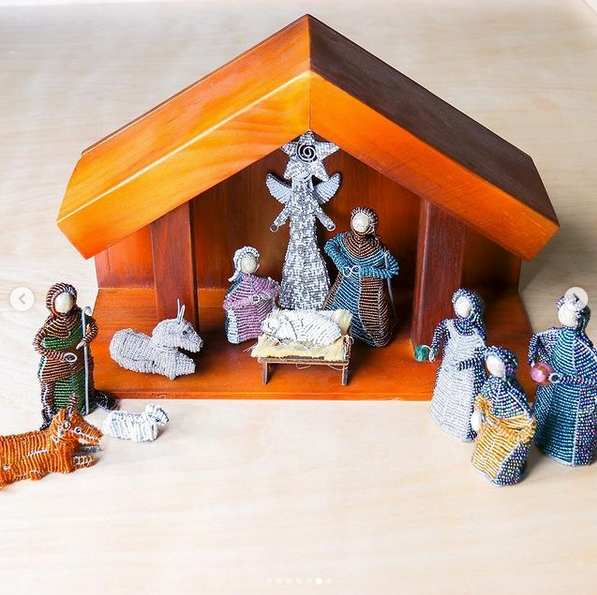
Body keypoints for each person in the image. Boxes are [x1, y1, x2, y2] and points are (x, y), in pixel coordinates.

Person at [528, 293, 597, 466]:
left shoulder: (584, 351)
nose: (564, 314)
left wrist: (564, 379)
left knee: (566, 426)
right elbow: (536, 340)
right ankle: (541, 438)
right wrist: (533, 361)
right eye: (563, 310)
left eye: (569, 313)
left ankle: (565, 453)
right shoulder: (554, 335)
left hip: (572, 399)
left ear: (579, 320)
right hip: (550, 389)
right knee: (545, 414)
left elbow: (592, 381)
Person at [33, 282, 114, 429]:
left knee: (86, 376)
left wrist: (87, 338)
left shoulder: (79, 317)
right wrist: (58, 356)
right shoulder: (50, 326)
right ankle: (50, 411)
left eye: (69, 300)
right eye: (61, 302)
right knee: (49, 386)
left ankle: (90, 397)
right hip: (55, 364)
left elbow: (93, 326)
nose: (66, 305)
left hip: (79, 357)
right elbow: (37, 344)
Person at [323, 207, 399, 347]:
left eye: (363, 223)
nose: (358, 225)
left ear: (371, 227)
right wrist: (341, 262)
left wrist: (367, 271)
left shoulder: (379, 251)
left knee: (374, 328)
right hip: (345, 285)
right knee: (331, 315)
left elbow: (393, 270)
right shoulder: (345, 239)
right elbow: (329, 246)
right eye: (356, 221)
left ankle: (364, 334)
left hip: (369, 291)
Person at [471, 347, 536, 485]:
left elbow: (526, 418)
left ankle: (501, 474)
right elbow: (482, 398)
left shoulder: (512, 391)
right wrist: (478, 411)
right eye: (490, 364)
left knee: (501, 458)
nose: (492, 368)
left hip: (508, 429)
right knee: (483, 450)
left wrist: (517, 432)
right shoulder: (491, 382)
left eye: (496, 365)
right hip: (489, 423)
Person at [428, 288, 487, 441]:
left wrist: (464, 365)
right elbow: (438, 332)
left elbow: (481, 356)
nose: (461, 307)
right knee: (444, 392)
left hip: (466, 377)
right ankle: (441, 416)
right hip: (448, 369)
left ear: (474, 309)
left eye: (466, 304)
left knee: (463, 401)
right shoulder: (450, 325)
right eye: (459, 303)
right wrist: (434, 348)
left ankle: (461, 428)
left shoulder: (477, 335)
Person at [223, 247, 279, 344]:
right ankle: (244, 333)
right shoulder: (237, 288)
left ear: (257, 265)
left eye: (252, 259)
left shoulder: (263, 282)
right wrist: (247, 301)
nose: (250, 263)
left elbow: (275, 289)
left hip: (263, 318)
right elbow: (228, 305)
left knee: (265, 327)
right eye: (246, 259)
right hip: (244, 321)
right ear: (239, 265)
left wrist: (264, 295)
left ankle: (264, 331)